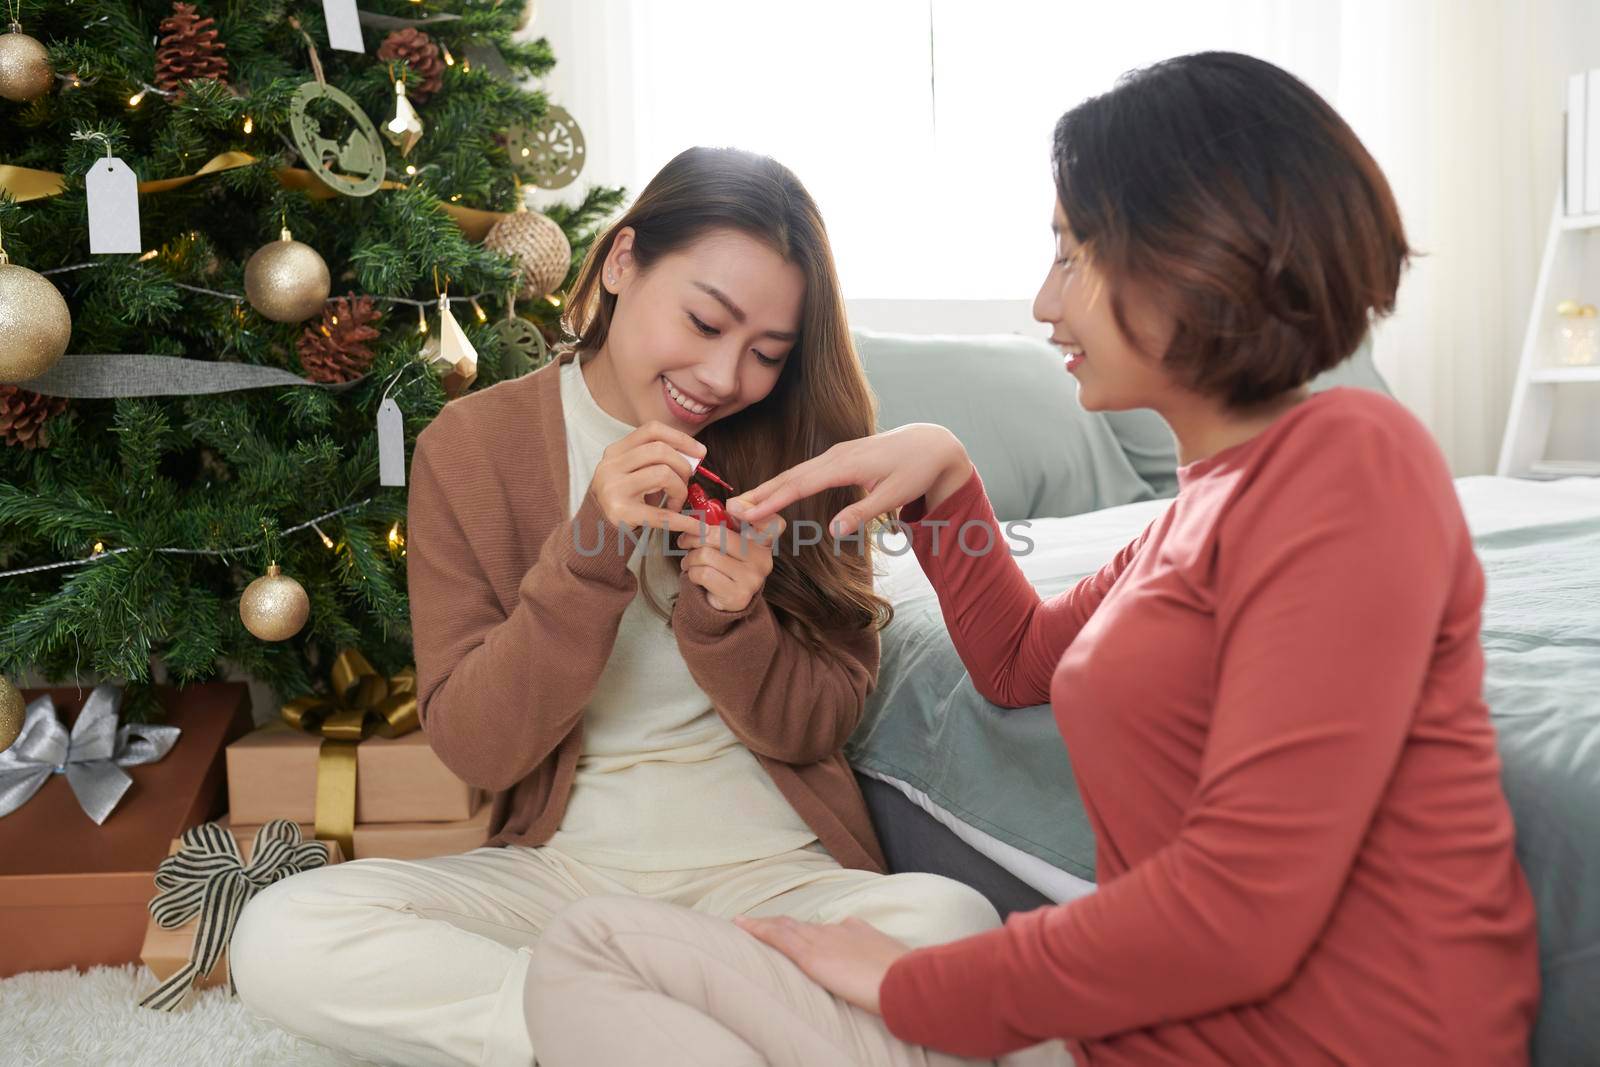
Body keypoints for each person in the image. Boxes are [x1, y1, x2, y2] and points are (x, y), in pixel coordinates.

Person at [520, 52, 1540, 1067]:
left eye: (1071, 254)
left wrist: (912, 982)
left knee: (606, 959)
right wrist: (945, 479)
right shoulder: (1197, 507)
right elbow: (1017, 663)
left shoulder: (1352, 462)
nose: (1044, 303)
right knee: (592, 945)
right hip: (1129, 1035)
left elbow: (1238, 909)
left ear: (1191, 251)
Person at [226, 146, 1001, 1067]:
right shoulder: (472, 446)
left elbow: (818, 722)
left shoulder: (804, 448)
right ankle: (707, 1033)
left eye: (765, 353)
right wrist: (591, 550)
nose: (722, 376)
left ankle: (628, 1033)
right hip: (563, 881)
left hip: (774, 880)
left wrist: (733, 623)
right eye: (705, 321)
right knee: (281, 933)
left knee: (953, 921)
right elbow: (476, 745)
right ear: (625, 262)